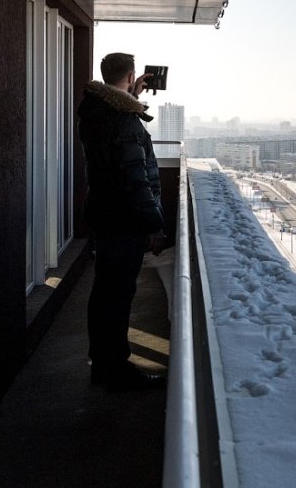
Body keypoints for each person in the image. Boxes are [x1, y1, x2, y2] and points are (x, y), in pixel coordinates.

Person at [78, 52, 166, 390]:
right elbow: (135, 178)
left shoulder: (95, 110)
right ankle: (114, 369)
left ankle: (102, 363)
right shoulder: (125, 120)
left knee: (104, 293)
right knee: (117, 295)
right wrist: (154, 221)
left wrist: (131, 98)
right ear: (130, 76)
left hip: (104, 213)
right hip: (124, 221)